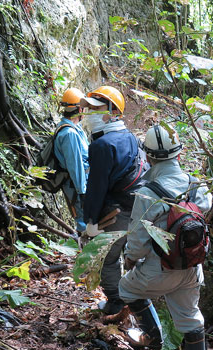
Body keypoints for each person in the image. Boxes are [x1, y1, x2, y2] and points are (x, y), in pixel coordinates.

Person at [118, 124, 212, 350]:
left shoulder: (148, 194)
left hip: (159, 270)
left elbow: (136, 244)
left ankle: (153, 338)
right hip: (193, 267)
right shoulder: (197, 187)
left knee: (125, 289)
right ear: (179, 154)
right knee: (191, 318)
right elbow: (205, 208)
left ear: (147, 157)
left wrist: (130, 260)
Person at [80, 86, 147, 314]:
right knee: (132, 255)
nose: (89, 113)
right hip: (139, 208)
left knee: (107, 259)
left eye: (95, 109)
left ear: (113, 112)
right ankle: (138, 301)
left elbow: (96, 187)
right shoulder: (130, 136)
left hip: (117, 211)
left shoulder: (102, 145)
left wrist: (90, 220)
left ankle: (117, 303)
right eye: (88, 108)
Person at [55, 88, 90, 232]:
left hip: (80, 183)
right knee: (83, 222)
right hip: (76, 187)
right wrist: (83, 193)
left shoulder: (75, 128)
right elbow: (75, 167)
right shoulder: (69, 134)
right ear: (79, 109)